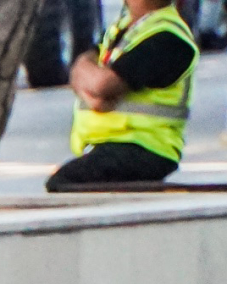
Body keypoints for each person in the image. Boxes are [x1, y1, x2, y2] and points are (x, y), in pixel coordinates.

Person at [46, 0, 199, 192]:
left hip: (143, 148)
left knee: (64, 185)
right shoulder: (124, 28)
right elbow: (80, 66)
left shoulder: (170, 38)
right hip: (118, 145)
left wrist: (93, 84)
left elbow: (104, 84)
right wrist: (91, 88)